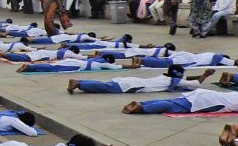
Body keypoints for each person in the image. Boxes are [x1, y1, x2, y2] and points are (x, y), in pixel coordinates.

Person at [68, 65, 215, 94]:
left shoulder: (165, 77)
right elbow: (194, 84)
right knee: (106, 88)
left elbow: (184, 79)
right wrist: (205, 75)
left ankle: (80, 82)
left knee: (106, 85)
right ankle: (79, 84)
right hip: (133, 85)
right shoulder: (173, 81)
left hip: (133, 81)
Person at [122, 88, 238, 115]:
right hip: (208, 101)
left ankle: (142, 103)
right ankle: (141, 108)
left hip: (204, 94)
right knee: (171, 106)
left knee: (172, 101)